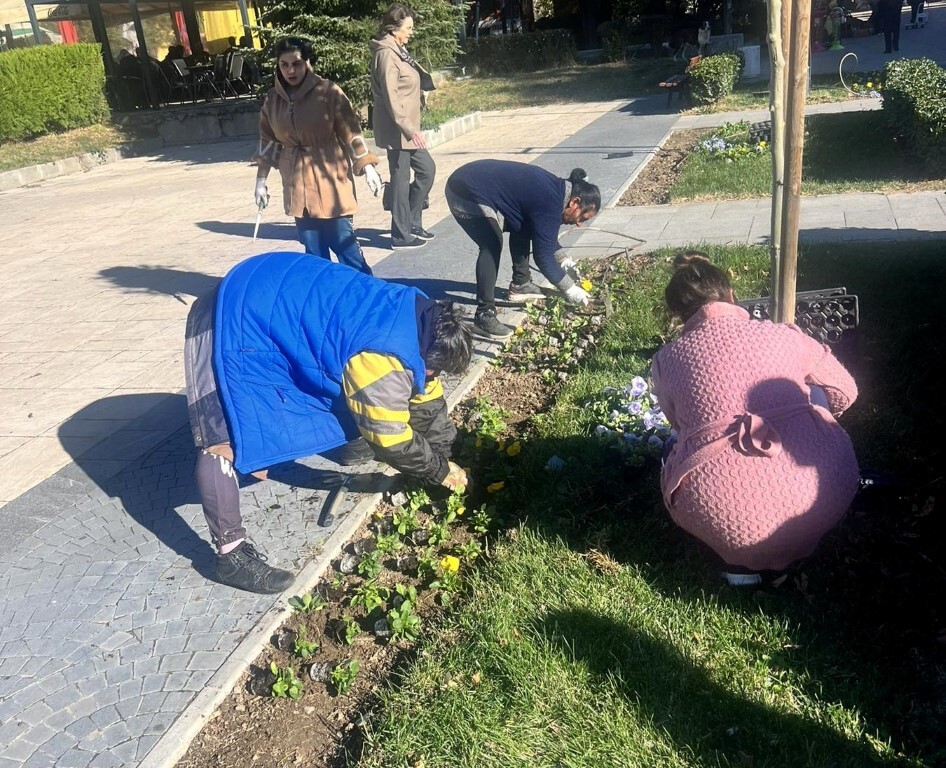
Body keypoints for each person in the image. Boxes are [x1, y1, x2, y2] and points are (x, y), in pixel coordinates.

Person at [184, 252, 473, 593]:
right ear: (429, 356)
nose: (433, 377)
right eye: (435, 370)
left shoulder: (423, 318)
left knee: (355, 406)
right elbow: (389, 436)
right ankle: (230, 556)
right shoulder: (384, 355)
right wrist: (436, 471)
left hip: (276, 300)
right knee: (223, 440)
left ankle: (275, 453)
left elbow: (427, 401)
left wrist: (443, 453)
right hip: (229, 316)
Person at [650, 252, 860, 582]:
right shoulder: (784, 335)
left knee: (677, 443)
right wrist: (814, 411)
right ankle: (790, 544)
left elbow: (677, 425)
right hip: (823, 496)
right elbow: (846, 390)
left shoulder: (666, 361)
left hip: (718, 511)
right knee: (816, 389)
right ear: (732, 295)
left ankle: (739, 565)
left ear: (676, 314)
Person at [254, 37, 383, 275]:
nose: (291, 70)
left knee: (346, 247)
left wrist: (367, 166)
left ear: (308, 63)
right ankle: (325, 303)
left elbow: (350, 131)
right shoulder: (273, 100)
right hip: (296, 183)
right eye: (284, 65)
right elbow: (268, 140)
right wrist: (260, 181)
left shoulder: (328, 92)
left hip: (330, 178)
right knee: (313, 252)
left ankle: (366, 296)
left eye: (297, 63)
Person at [445, 160, 601, 340]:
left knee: (523, 225)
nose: (579, 223)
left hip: (474, 183)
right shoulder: (550, 201)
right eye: (582, 216)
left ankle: (521, 283)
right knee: (491, 244)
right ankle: (484, 316)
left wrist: (564, 260)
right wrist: (570, 289)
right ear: (575, 202)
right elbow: (543, 257)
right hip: (464, 190)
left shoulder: (558, 196)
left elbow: (544, 237)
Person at [370, 3, 437, 251]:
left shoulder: (397, 49)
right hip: (397, 129)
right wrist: (410, 130)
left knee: (426, 170)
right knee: (400, 179)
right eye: (408, 27)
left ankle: (412, 222)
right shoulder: (386, 53)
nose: (411, 32)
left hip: (407, 128)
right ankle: (400, 234)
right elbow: (391, 97)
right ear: (395, 28)